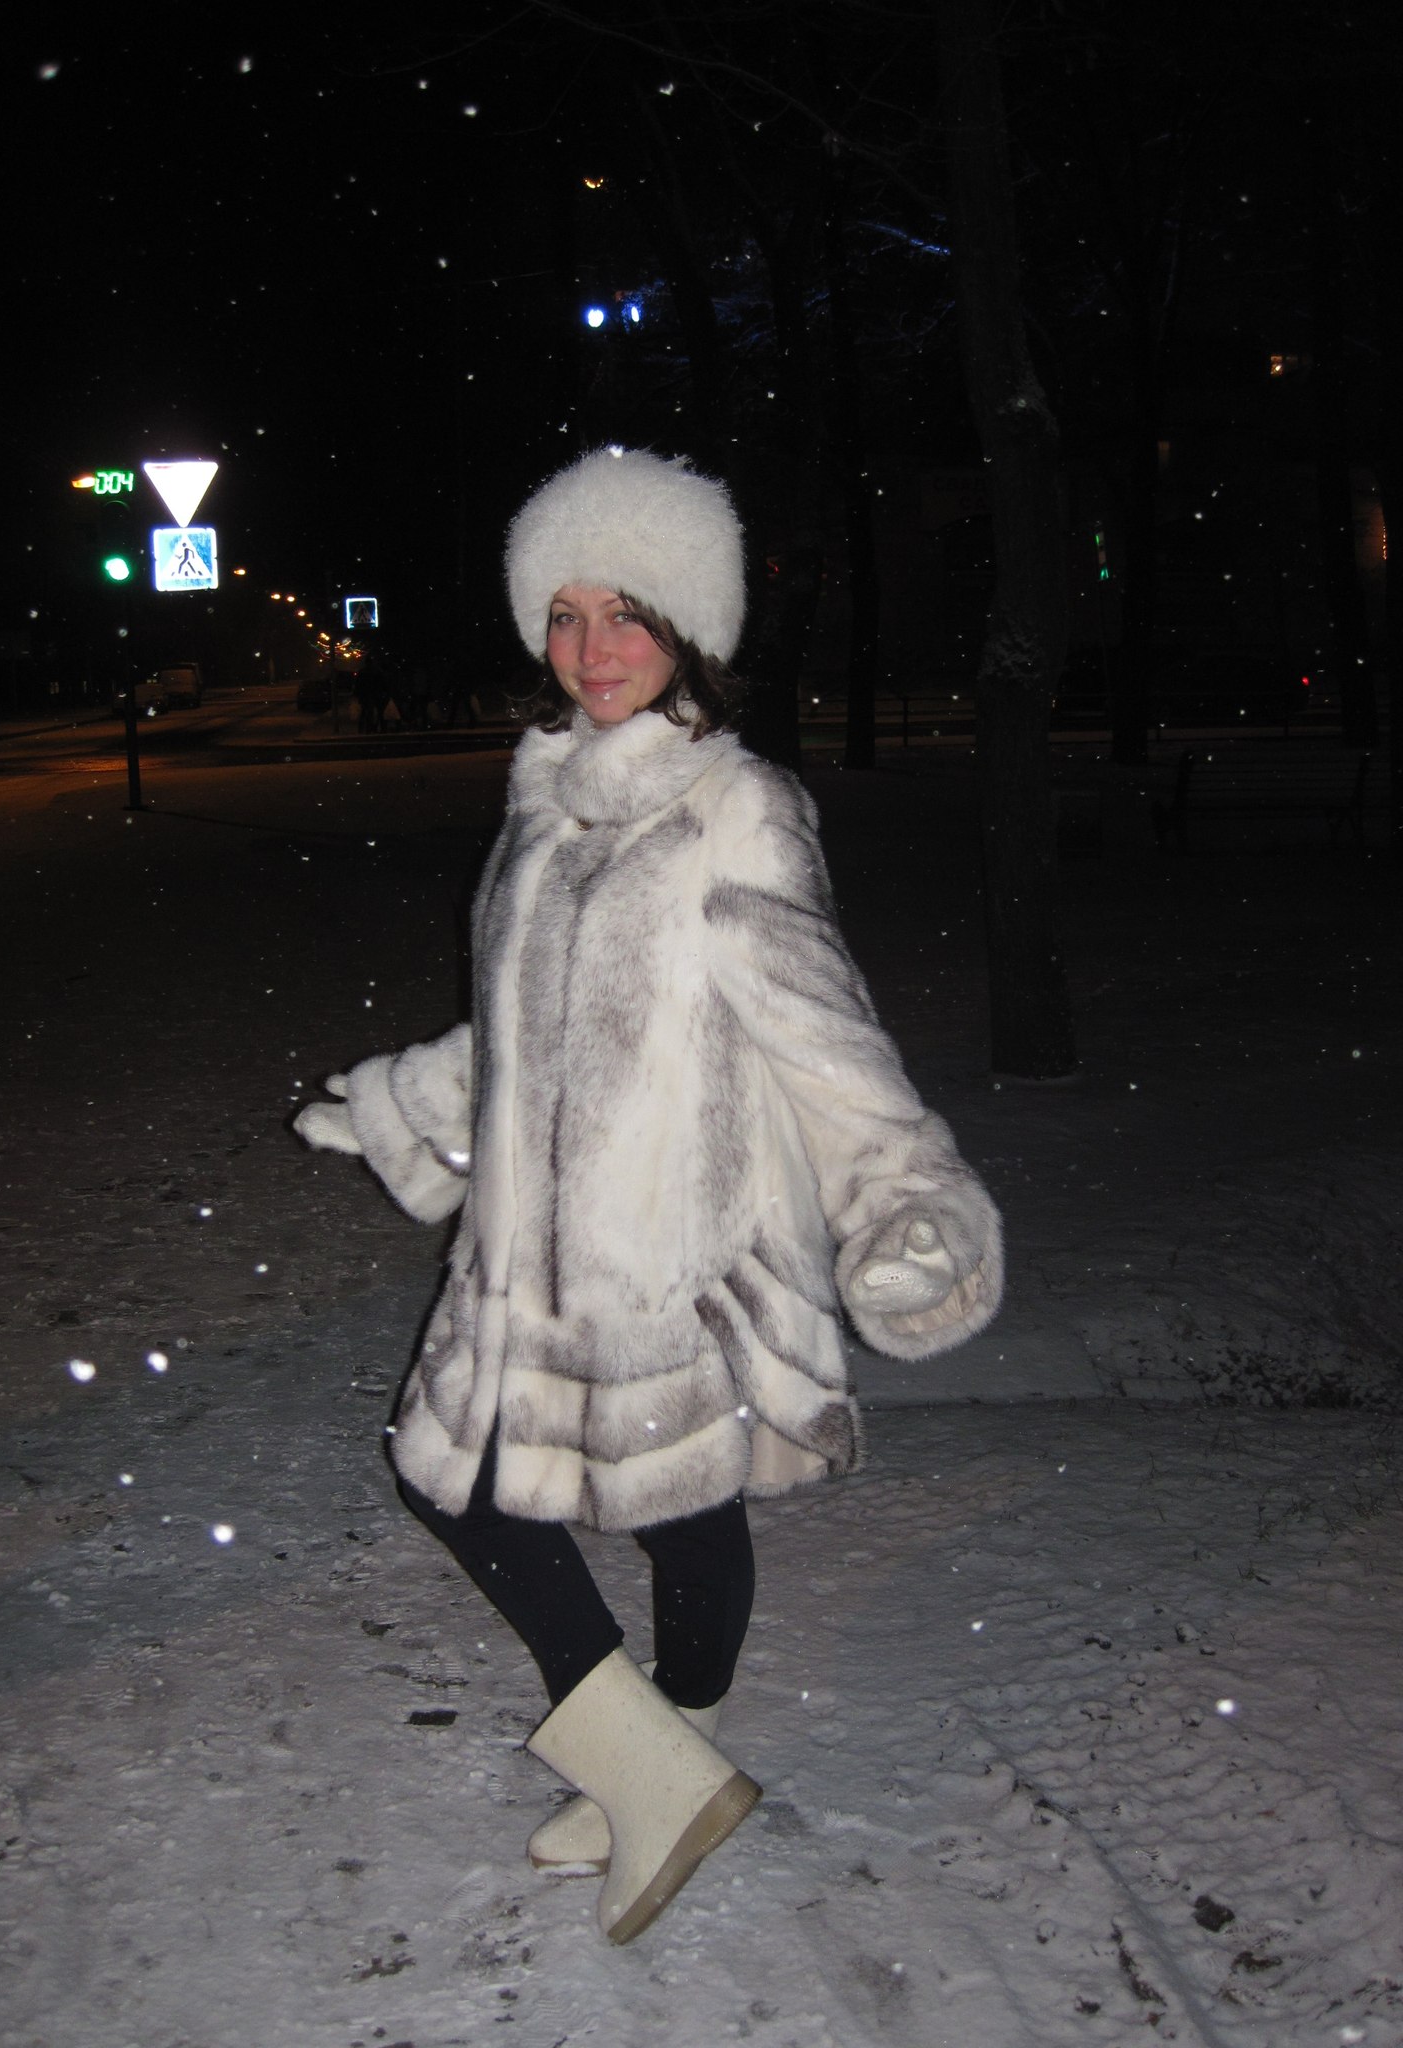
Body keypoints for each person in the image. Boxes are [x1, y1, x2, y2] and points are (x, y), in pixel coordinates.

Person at [293, 448, 1003, 1946]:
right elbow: (531, 1033)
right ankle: (655, 1765)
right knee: (448, 1478)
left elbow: (825, 1041)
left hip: (668, 1253)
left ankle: (665, 1753)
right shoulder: (546, 799)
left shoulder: (735, 810)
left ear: (690, 627)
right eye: (564, 614)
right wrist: (409, 1100)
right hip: (522, 1256)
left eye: (625, 612)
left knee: (680, 1513)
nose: (592, 648)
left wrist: (903, 1196)